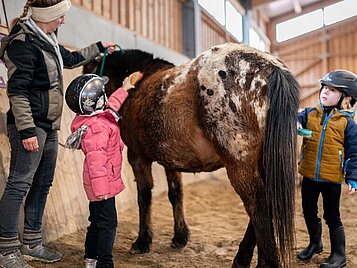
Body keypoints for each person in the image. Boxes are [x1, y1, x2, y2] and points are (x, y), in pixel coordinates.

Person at [0, 0, 117, 267]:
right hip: (30, 127)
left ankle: (32, 242)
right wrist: (27, 129)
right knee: (19, 185)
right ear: (46, 16)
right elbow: (17, 93)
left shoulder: (47, 39)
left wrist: (98, 48)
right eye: (60, 17)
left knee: (42, 184)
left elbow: (71, 59)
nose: (63, 21)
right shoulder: (23, 45)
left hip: (49, 125)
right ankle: (6, 250)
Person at [64, 71, 142, 268]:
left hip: (100, 185)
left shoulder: (95, 119)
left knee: (97, 222)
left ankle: (91, 258)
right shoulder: (97, 128)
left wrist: (125, 88)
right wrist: (102, 193)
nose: (107, 96)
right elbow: (96, 163)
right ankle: (104, 263)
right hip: (102, 187)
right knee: (108, 225)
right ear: (97, 101)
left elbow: (111, 107)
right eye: (104, 94)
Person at [297, 69, 357, 268]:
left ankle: (339, 255)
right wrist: (298, 125)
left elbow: (354, 154)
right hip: (309, 176)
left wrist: (353, 179)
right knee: (308, 211)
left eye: (332, 90)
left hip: (331, 178)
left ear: (346, 98)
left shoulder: (347, 124)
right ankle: (315, 243)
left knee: (332, 216)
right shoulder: (310, 113)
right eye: (324, 88)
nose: (325, 92)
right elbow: (296, 119)